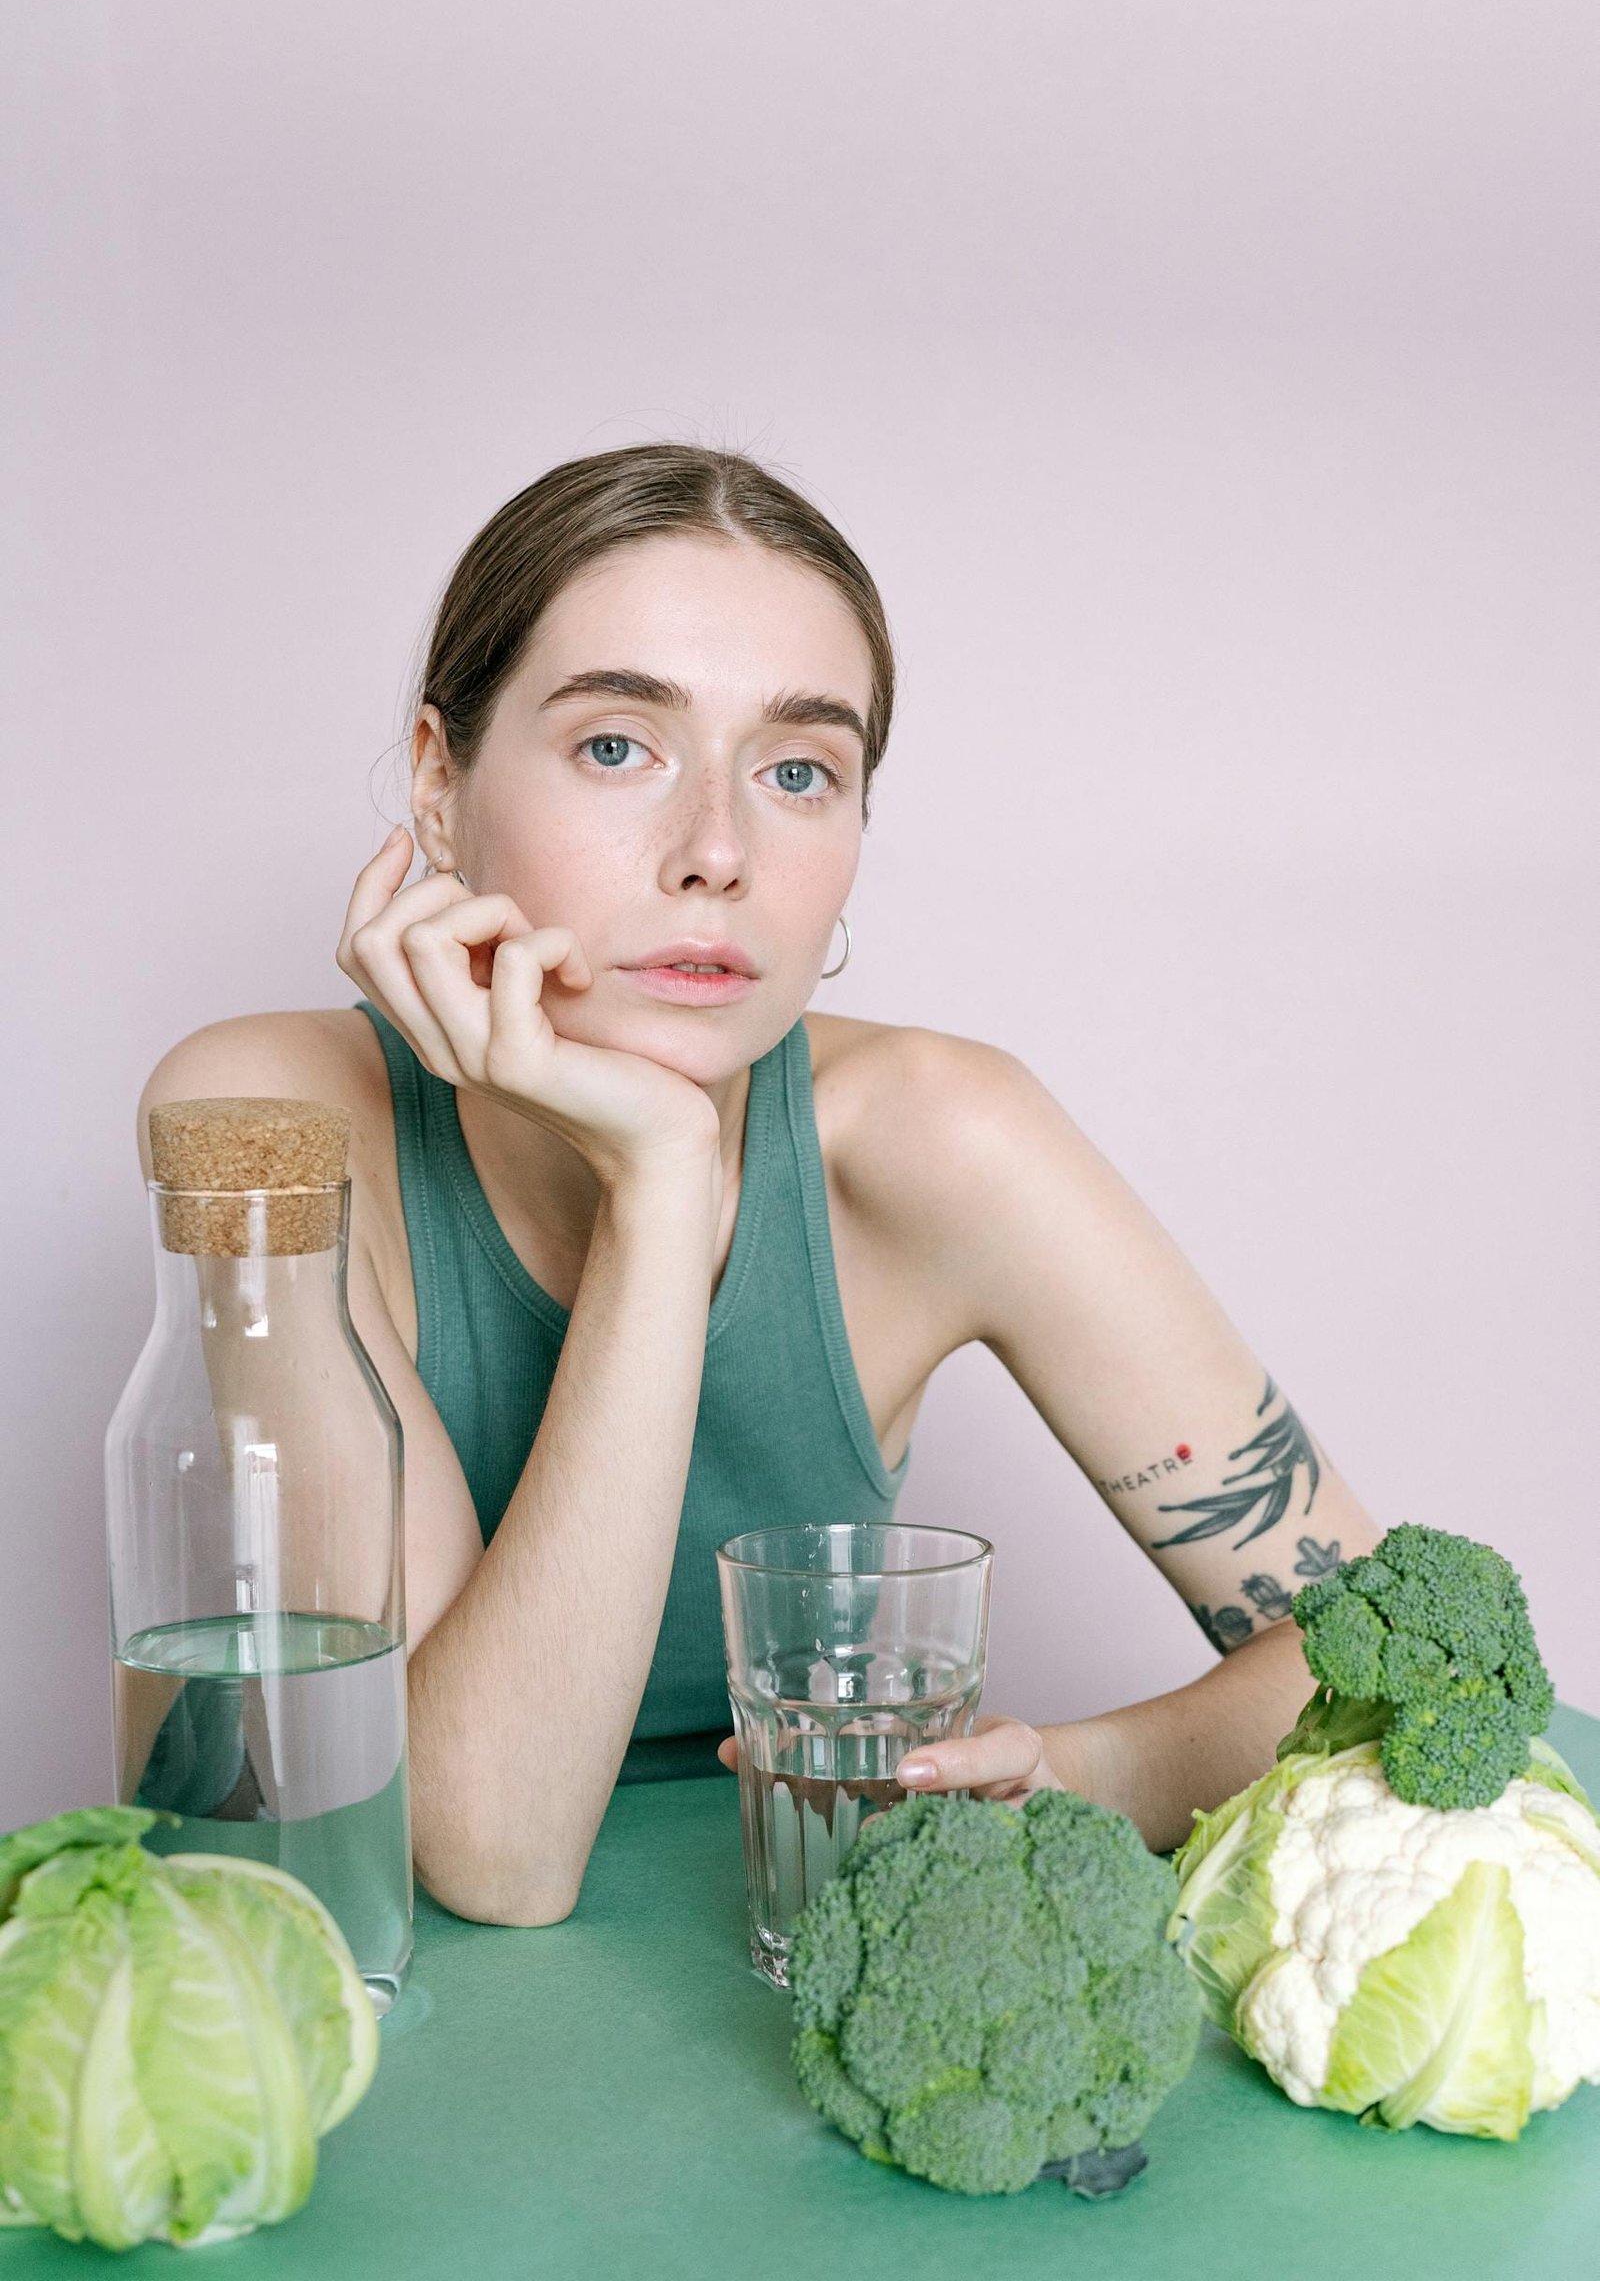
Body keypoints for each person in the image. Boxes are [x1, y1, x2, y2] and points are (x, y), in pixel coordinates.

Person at [137, 442, 1384, 1927]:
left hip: (772, 1961)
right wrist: (663, 1177)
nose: (717, 852)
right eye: (618, 746)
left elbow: (1385, 1654)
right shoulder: (261, 1118)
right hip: (339, 1983)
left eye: (800, 771)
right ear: (437, 780)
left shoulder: (945, 1135)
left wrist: (1087, 1768)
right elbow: (490, 1845)